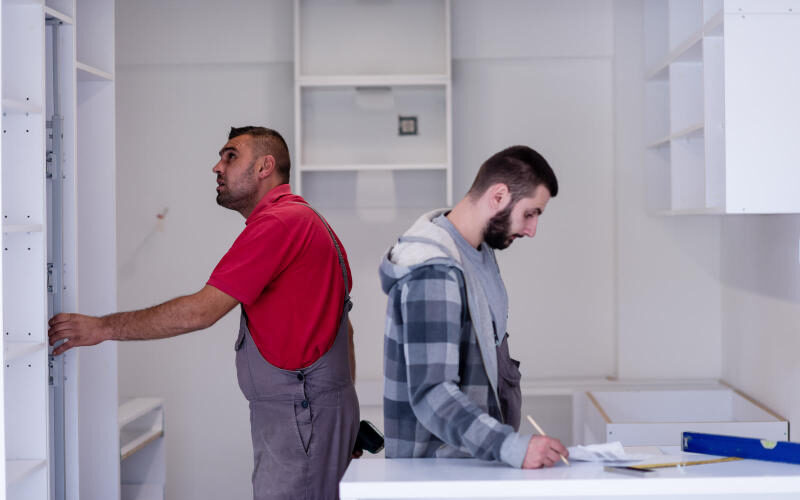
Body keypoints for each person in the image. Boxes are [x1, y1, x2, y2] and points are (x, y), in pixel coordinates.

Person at [48, 126, 360, 500]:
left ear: (265, 166)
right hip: (316, 410)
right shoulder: (305, 218)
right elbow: (346, 330)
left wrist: (102, 327)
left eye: (231, 156)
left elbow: (200, 311)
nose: (217, 167)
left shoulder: (279, 224)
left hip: (302, 414)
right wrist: (342, 413)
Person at [379, 145, 568, 469]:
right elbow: (433, 394)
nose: (531, 230)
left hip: (469, 465)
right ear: (498, 196)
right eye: (530, 213)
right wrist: (512, 447)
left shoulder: (477, 254)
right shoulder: (434, 269)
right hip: (434, 476)